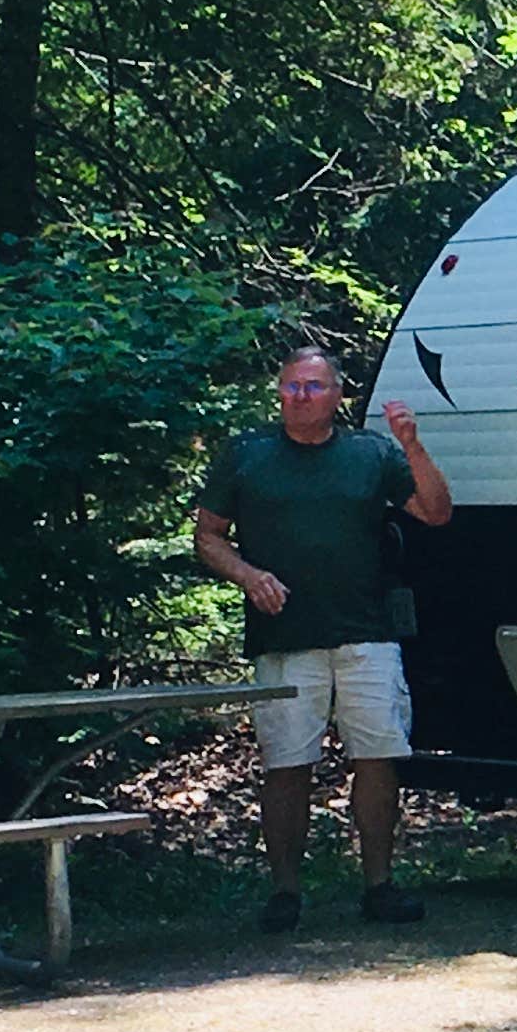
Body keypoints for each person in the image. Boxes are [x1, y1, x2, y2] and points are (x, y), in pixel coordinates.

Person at [193, 346, 454, 931]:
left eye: (312, 387)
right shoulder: (248, 453)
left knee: (378, 757)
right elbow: (208, 536)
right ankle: (285, 892)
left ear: (338, 395)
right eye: (290, 387)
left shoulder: (371, 453)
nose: (300, 397)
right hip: (284, 637)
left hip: (366, 632)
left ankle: (379, 886)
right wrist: (248, 575)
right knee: (286, 764)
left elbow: (437, 512)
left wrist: (411, 445)